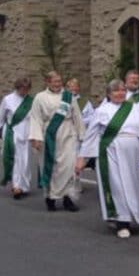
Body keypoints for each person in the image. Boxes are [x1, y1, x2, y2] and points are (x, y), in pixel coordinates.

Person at [78, 79, 139, 238]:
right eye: (116, 91)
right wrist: (83, 158)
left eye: (122, 90)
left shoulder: (136, 109)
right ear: (109, 94)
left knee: (134, 185)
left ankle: (133, 215)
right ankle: (122, 221)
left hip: (134, 153)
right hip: (111, 152)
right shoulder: (102, 111)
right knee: (117, 186)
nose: (120, 93)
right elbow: (91, 135)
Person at [28, 71, 85, 212]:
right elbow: (35, 118)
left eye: (59, 81)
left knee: (69, 167)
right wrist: (36, 138)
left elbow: (77, 115)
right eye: (54, 81)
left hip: (68, 134)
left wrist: (82, 135)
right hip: (49, 135)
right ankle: (50, 198)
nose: (57, 84)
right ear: (47, 82)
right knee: (51, 167)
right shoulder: (40, 98)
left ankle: (67, 198)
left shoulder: (68, 96)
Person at [0, 77, 35, 199]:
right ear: (17, 87)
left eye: (27, 89)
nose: (25, 92)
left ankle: (24, 185)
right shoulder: (8, 100)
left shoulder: (31, 101)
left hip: (27, 133)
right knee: (16, 160)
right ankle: (16, 186)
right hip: (13, 133)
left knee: (26, 160)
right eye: (23, 89)